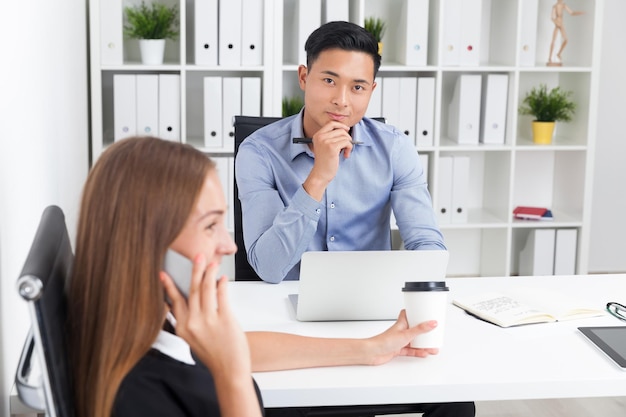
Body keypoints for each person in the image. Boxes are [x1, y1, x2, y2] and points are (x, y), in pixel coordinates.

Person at [67, 136, 468, 417]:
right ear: (145, 242)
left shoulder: (154, 326)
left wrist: (369, 348)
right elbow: (232, 359)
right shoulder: (141, 393)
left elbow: (238, 347)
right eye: (210, 227)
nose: (230, 247)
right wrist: (233, 378)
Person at [235, 21, 445, 284]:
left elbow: (426, 244)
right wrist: (318, 178)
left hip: (371, 300)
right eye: (329, 80)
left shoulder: (395, 148)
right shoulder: (259, 151)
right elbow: (268, 267)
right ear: (303, 77)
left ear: (371, 90)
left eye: (358, 87)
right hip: (286, 303)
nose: (342, 100)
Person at [548, 0, 584, 65]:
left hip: (561, 24)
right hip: (557, 24)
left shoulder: (563, 5)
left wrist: (580, 12)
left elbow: (572, 13)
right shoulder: (554, 6)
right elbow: (552, 17)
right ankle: (550, 58)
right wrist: (556, 22)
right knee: (553, 41)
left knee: (566, 40)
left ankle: (559, 53)